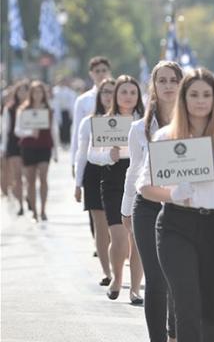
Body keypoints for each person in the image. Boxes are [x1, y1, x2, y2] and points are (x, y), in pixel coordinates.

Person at [138, 68, 214, 342]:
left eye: (206, 95)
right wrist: (172, 194)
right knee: (186, 303)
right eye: (194, 94)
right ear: (183, 98)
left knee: (213, 309)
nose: (200, 101)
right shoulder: (166, 137)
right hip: (176, 226)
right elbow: (145, 186)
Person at [122, 61, 181, 341]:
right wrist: (125, 210)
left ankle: (174, 334)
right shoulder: (138, 129)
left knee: (176, 280)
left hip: (182, 209)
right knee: (156, 280)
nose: (168, 85)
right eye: (163, 81)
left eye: (173, 80)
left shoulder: (195, 126)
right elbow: (133, 171)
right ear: (154, 87)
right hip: (147, 208)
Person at [87, 75, 145, 303]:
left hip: (139, 180)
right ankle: (117, 278)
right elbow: (92, 154)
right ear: (115, 95)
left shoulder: (145, 121)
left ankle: (136, 288)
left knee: (137, 237)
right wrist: (106, 156)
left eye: (132, 92)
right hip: (112, 180)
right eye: (123, 92)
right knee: (119, 236)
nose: (128, 96)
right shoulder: (104, 121)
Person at [74, 78, 115, 286]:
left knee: (117, 226)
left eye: (112, 91)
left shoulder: (130, 120)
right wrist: (77, 183)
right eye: (105, 92)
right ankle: (107, 272)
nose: (109, 96)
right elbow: (82, 154)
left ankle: (118, 265)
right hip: (94, 174)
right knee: (100, 225)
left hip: (118, 175)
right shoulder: (88, 122)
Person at [14, 81, 59, 221]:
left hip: (44, 147)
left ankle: (43, 210)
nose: (37, 95)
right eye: (35, 92)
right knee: (30, 180)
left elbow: (54, 130)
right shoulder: (23, 110)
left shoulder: (48, 110)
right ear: (31, 94)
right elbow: (17, 130)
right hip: (28, 147)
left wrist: (56, 152)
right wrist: (29, 132)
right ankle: (33, 210)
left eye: (40, 92)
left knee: (43, 177)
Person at [70, 57, 112, 178]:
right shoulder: (83, 100)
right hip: (91, 156)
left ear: (109, 72)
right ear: (91, 74)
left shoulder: (119, 96)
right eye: (97, 71)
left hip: (114, 156)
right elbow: (76, 132)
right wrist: (75, 162)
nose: (101, 74)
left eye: (104, 70)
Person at [2, 81, 30, 215]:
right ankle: (20, 205)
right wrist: (4, 147)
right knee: (17, 175)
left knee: (28, 175)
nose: (22, 94)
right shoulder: (10, 108)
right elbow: (6, 129)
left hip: (30, 144)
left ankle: (28, 197)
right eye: (20, 91)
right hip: (14, 144)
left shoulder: (32, 108)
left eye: (25, 91)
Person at [52, 77, 77, 147]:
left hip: (66, 111)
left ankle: (67, 141)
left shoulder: (68, 91)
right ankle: (61, 141)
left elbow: (71, 102)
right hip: (58, 111)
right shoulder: (55, 91)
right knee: (60, 127)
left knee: (67, 126)